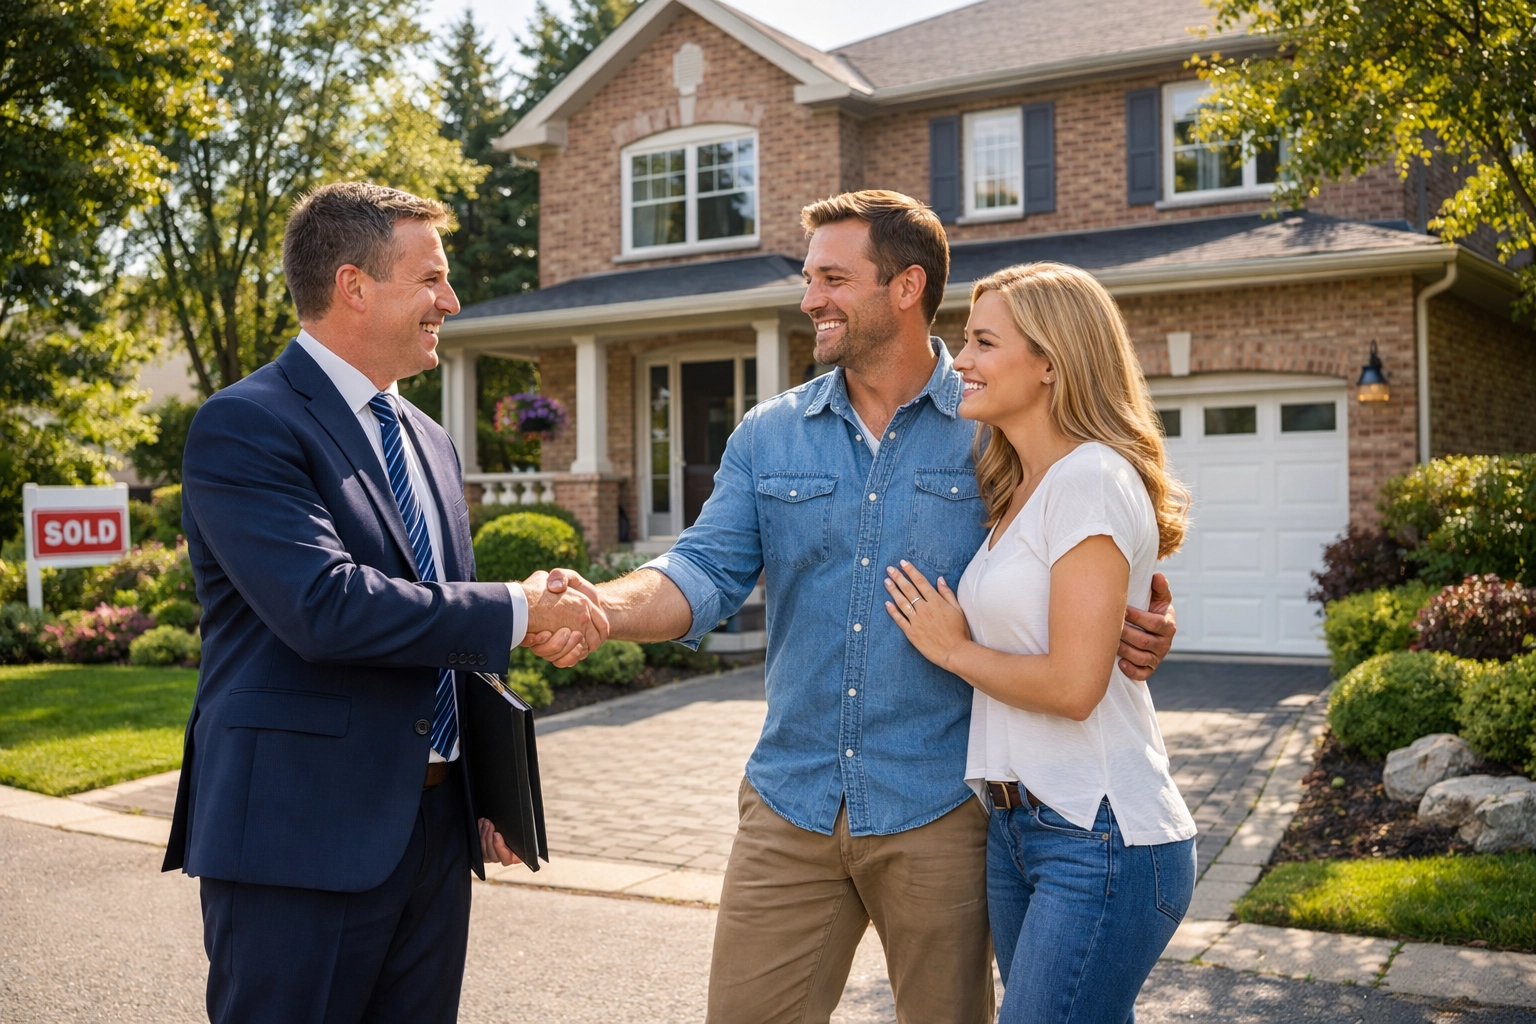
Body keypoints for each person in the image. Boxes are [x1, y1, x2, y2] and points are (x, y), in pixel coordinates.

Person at [557, 192, 1179, 1024]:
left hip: (944, 810)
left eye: (832, 277)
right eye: (809, 277)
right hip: (793, 797)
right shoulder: (769, 434)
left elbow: (1081, 562)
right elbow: (700, 569)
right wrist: (603, 606)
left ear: (906, 285)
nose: (809, 298)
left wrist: (1137, 626)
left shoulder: (997, 420)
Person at [162, 181, 607, 1024]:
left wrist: (485, 790)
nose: (452, 299)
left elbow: (441, 624)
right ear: (353, 286)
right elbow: (326, 607)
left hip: (435, 833)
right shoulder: (245, 424)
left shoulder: (429, 440)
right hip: (298, 837)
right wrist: (519, 606)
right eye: (431, 278)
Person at [882, 261, 1198, 1024]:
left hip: (1100, 835)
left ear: (1052, 361)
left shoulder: (1090, 476)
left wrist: (951, 647)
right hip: (1019, 829)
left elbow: (1072, 686)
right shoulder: (1019, 485)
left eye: (984, 342)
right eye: (965, 341)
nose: (960, 360)